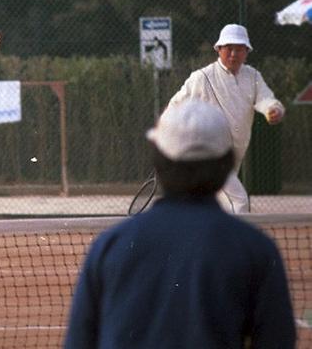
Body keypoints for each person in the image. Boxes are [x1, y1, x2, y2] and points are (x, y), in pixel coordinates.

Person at [64, 99, 296, 348]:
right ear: (228, 162)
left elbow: (79, 341)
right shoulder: (257, 250)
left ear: (158, 160)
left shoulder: (109, 246)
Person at [165, 23, 284, 213]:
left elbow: (266, 99)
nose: (234, 54)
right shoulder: (201, 77)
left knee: (215, 207)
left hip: (234, 153)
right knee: (239, 202)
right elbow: (173, 108)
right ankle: (235, 242)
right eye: (229, 48)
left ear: (247, 51)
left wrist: (273, 109)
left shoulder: (252, 76)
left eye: (239, 49)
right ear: (219, 49)